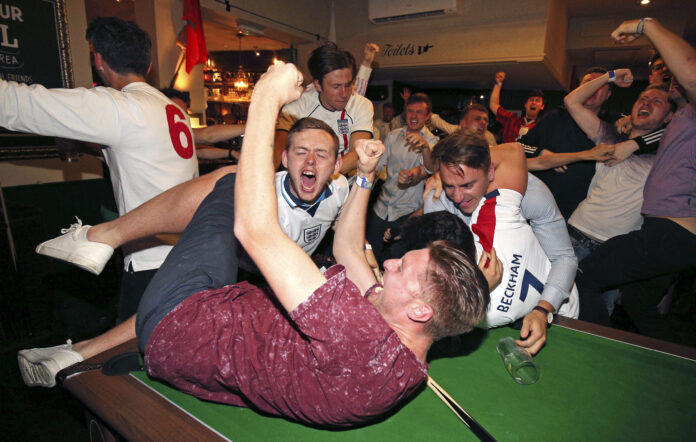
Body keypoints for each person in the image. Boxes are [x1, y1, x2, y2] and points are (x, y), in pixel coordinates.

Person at [19, 64, 490, 429]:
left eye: (402, 268)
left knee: (228, 184)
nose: (386, 264)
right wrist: (365, 175)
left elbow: (254, 229)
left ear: (423, 310)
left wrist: (265, 98)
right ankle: (76, 348)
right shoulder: (405, 358)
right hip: (218, 324)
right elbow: (348, 250)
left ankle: (101, 237)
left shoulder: (357, 333)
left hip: (180, 321)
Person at [0, 17, 199, 322]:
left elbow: (15, 104)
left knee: (133, 358)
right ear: (146, 65)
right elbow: (135, 154)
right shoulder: (169, 108)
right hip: (190, 253)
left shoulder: (120, 107)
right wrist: (82, 145)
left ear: (98, 59)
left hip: (153, 263)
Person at [34, 117, 349, 278]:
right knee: (233, 180)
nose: (310, 162)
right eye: (301, 153)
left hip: (285, 275)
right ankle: (103, 235)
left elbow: (350, 240)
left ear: (335, 166)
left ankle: (75, 353)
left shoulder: (341, 189)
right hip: (246, 263)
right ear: (284, 159)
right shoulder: (266, 193)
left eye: (321, 155)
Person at [575, 17, 696, 341]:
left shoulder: (689, 114)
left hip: (673, 232)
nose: (649, 100)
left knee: (583, 277)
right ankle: (679, 365)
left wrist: (648, 26)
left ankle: (600, 350)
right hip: (665, 232)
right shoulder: (675, 123)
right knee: (639, 303)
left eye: (658, 100)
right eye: (644, 98)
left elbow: (691, 73)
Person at [425, 132, 578, 354]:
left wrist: (543, 310)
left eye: (467, 184)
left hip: (552, 305)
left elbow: (564, 258)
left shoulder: (530, 193)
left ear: (490, 171)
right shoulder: (439, 201)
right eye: (450, 185)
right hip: (483, 314)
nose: (458, 197)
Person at [518, 67, 612, 218]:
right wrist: (540, 152)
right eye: (588, 83)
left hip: (579, 216)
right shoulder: (556, 117)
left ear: (608, 95)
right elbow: (519, 147)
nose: (591, 87)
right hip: (536, 207)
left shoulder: (611, 128)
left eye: (599, 84)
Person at [274, 43, 374, 175]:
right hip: (305, 177)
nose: (344, 94)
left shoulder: (362, 105)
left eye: (348, 85)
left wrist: (322, 177)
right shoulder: (298, 105)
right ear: (318, 85)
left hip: (344, 179)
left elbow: (358, 151)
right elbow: (279, 146)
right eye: (336, 86)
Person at [365, 92, 437, 262]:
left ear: (427, 116)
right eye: (410, 110)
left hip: (407, 212)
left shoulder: (432, 141)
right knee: (369, 254)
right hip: (382, 207)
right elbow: (379, 166)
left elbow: (430, 168)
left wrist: (425, 149)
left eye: (419, 112)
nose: (414, 116)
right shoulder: (393, 136)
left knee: (397, 261)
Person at [489, 71, 545, 142]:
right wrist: (498, 83)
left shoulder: (541, 127)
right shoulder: (512, 119)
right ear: (525, 105)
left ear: (542, 107)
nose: (534, 102)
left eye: (537, 101)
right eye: (531, 100)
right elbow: (493, 105)